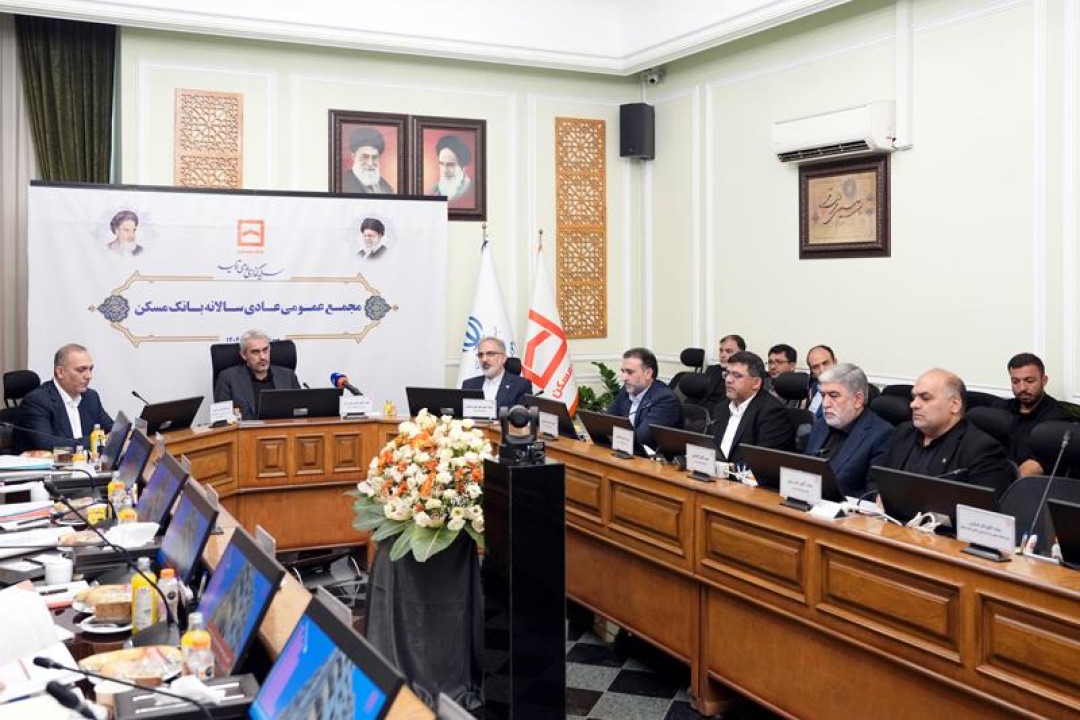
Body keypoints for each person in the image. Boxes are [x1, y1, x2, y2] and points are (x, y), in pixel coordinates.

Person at [878, 368, 1012, 498]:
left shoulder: (981, 449)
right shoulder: (903, 432)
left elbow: (983, 508)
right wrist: (879, 497)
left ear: (954, 405)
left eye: (925, 398)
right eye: (914, 397)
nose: (913, 404)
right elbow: (876, 479)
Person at [803, 362, 894, 497]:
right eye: (823, 396)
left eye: (834, 395)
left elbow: (872, 496)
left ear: (858, 400)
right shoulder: (820, 425)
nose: (825, 404)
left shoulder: (882, 435)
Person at [14, 344, 114, 453]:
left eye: (90, 369)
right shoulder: (37, 401)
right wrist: (96, 441)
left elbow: (112, 429)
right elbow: (47, 445)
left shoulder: (91, 397)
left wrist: (119, 436)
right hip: (50, 463)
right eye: (81, 370)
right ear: (60, 372)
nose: (88, 376)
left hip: (85, 462)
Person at [711, 351, 795, 464]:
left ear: (756, 383)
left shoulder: (772, 413)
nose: (728, 380)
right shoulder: (721, 408)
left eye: (737, 375)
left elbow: (762, 461)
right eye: (727, 374)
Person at [996, 352, 1069, 476]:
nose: (1022, 388)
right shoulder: (1000, 408)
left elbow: (1033, 468)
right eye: (1015, 381)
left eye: (1029, 381)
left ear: (1044, 380)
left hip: (1023, 484)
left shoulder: (1056, 417)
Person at [606, 347, 683, 449]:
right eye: (623, 371)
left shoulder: (666, 399)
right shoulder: (626, 390)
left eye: (629, 372)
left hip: (651, 457)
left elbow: (642, 439)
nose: (624, 378)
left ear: (648, 373)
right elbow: (605, 423)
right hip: (626, 451)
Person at [213, 330, 301, 420]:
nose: (263, 357)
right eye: (256, 352)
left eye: (265, 350)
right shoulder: (228, 378)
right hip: (246, 429)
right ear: (243, 355)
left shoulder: (287, 376)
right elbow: (222, 420)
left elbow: (300, 411)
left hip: (283, 428)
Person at [461, 336, 531, 410]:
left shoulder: (520, 385)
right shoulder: (468, 385)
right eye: (481, 355)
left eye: (490, 354)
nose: (484, 359)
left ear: (503, 358)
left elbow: (521, 415)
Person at [696, 334, 745, 411]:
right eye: (721, 351)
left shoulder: (745, 376)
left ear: (741, 354)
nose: (722, 355)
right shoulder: (712, 370)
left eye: (728, 351)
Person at [342, 126, 395, 194]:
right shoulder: (343, 183)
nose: (370, 163)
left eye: (374, 157)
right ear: (354, 156)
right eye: (365, 157)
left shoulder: (386, 188)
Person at [428, 135, 475, 207]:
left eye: (450, 165)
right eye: (441, 164)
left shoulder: (472, 190)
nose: (444, 171)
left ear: (462, 167)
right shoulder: (433, 190)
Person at [806, 344, 837, 418]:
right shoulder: (812, 387)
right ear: (812, 371)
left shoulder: (847, 390)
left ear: (835, 362)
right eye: (815, 367)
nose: (822, 370)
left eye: (825, 363)